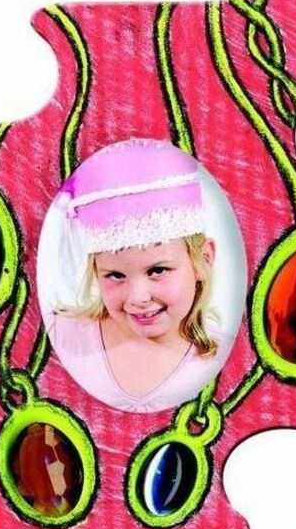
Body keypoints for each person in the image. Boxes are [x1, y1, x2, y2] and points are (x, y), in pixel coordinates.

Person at [45, 139, 230, 413]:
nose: (138, 297)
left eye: (157, 271)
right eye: (115, 275)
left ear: (203, 258)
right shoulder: (57, 335)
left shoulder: (228, 358)